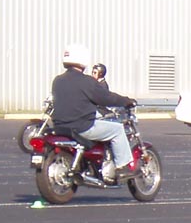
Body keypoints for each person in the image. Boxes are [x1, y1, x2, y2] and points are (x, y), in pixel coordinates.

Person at [50, 43, 138, 178]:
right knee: (117, 129)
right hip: (82, 126)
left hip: (61, 126)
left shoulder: (58, 80)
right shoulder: (87, 81)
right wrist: (126, 101)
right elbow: (105, 97)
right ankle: (122, 167)